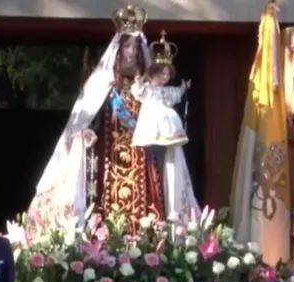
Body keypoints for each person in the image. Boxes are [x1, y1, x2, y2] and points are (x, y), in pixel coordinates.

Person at [28, 5, 198, 233]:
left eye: (136, 46)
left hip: (142, 154)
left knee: (148, 204)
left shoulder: (148, 85)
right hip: (109, 157)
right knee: (107, 205)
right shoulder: (103, 83)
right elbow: (89, 114)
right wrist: (88, 131)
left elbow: (162, 107)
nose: (131, 52)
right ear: (117, 49)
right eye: (127, 46)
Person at [131, 30, 190, 149]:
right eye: (163, 74)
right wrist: (138, 83)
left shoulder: (167, 90)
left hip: (166, 116)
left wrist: (184, 87)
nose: (165, 77)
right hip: (151, 115)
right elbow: (138, 92)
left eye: (168, 75)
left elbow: (176, 92)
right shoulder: (149, 89)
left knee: (170, 117)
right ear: (154, 73)